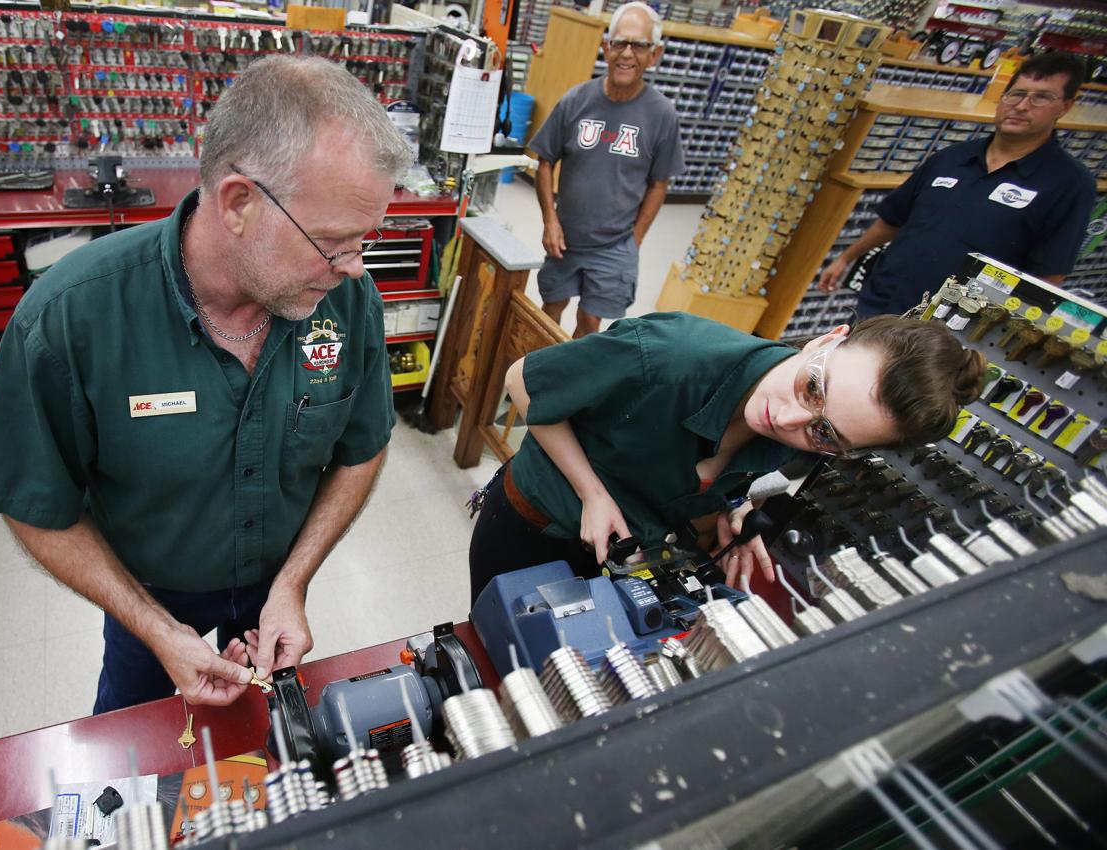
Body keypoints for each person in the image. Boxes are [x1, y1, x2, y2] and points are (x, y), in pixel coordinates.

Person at [0, 56, 415, 712]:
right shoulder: (70, 319)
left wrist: (293, 582)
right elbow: (32, 502)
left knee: (264, 745)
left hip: (274, 580)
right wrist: (156, 629)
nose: (355, 268)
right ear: (238, 204)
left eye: (364, 241)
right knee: (130, 750)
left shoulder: (344, 300)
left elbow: (361, 448)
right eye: (335, 242)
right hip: (145, 593)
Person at [467, 313, 985, 602]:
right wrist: (593, 493)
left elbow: (709, 478)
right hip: (533, 527)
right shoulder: (669, 355)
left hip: (619, 555)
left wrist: (728, 512)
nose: (788, 421)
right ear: (828, 339)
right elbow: (524, 384)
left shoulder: (798, 432)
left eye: (825, 433)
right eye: (811, 388)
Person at [818, 51, 1096, 318]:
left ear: (1066, 106)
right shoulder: (951, 158)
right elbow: (893, 219)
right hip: (882, 303)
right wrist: (846, 257)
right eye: (1017, 94)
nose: (1022, 106)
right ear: (1002, 98)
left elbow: (1048, 278)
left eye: (1041, 98)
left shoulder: (1069, 183)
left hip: (950, 330)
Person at [528, 1, 685, 338]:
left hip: (615, 244)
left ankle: (573, 386)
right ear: (605, 47)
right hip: (566, 236)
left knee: (590, 322)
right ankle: (537, 380)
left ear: (654, 54)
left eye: (639, 45)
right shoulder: (576, 100)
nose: (627, 54)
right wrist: (549, 221)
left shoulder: (662, 116)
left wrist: (635, 240)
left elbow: (659, 184)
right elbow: (544, 160)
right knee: (550, 309)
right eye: (619, 43)